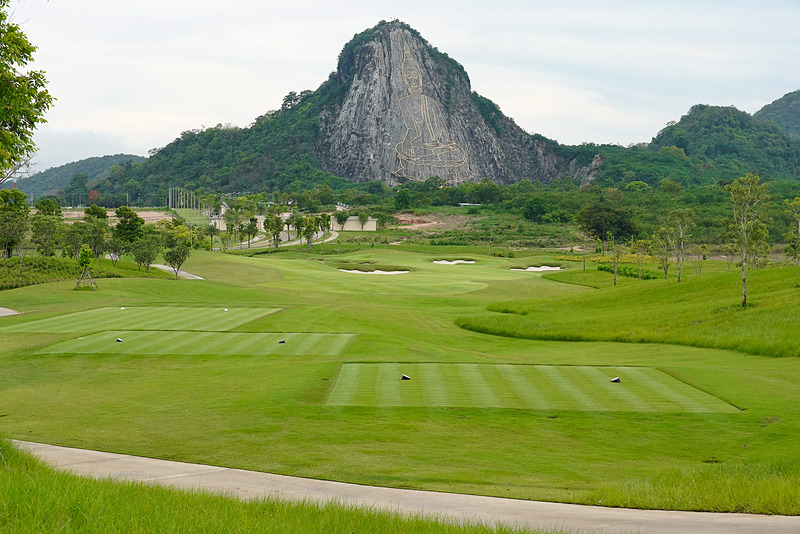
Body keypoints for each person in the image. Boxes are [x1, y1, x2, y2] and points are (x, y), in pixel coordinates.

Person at [393, 43, 473, 183]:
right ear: (405, 79)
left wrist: (440, 139)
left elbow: (442, 128)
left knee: (456, 153)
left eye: (415, 74)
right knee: (409, 151)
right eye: (409, 75)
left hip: (437, 145)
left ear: (420, 77)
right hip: (418, 145)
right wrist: (408, 143)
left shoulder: (430, 102)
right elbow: (411, 129)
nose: (413, 79)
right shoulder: (404, 102)